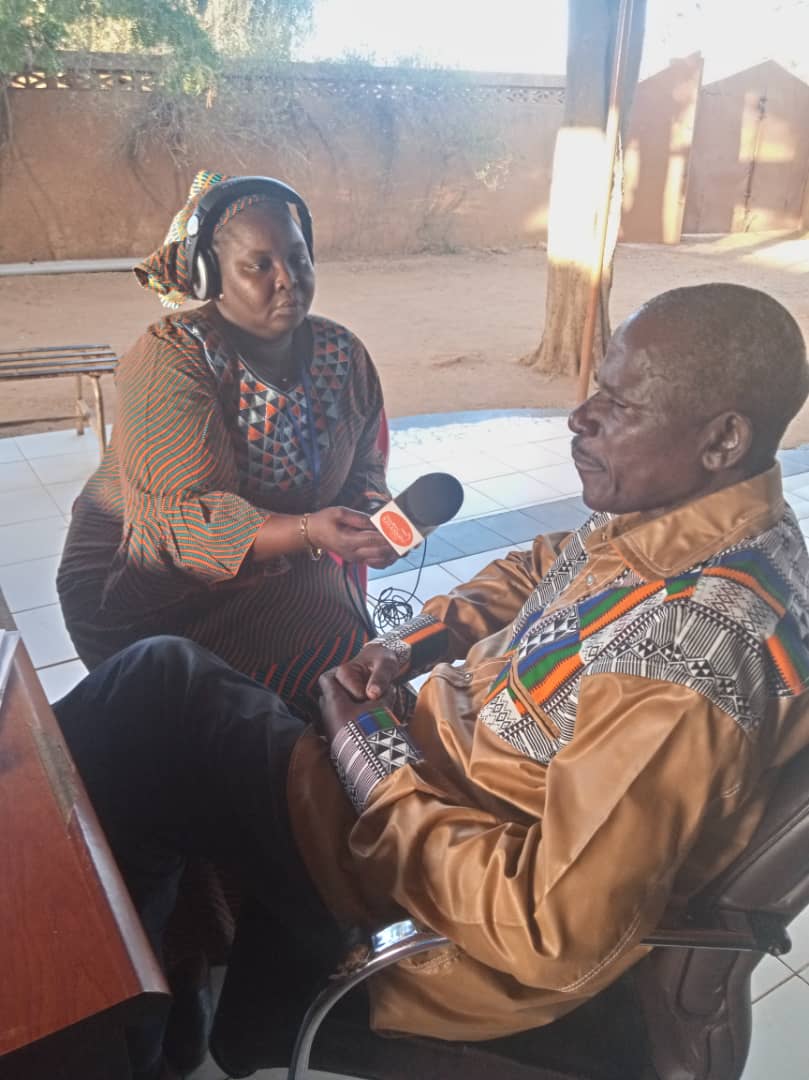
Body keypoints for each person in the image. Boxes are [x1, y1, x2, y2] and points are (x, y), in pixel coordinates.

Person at [53, 283, 809, 1079]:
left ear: (723, 438)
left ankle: (94, 1036)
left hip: (425, 898)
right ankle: (150, 1022)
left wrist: (367, 760)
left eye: (616, 406)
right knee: (159, 706)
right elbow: (540, 565)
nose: (577, 418)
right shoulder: (677, 520)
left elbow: (545, 930)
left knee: (152, 714)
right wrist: (406, 645)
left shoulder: (684, 657)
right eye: (595, 389)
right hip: (421, 786)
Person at [56, 170, 396, 723]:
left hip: (286, 570)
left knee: (363, 689)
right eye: (258, 265)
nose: (288, 279)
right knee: (258, 729)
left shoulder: (342, 353)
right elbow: (178, 521)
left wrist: (381, 516)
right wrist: (308, 530)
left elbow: (363, 467)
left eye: (298, 256)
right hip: (151, 587)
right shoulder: (172, 357)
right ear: (211, 275)